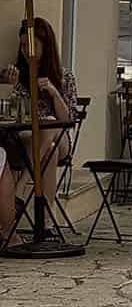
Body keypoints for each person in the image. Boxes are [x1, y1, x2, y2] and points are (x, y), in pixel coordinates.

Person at [1, 18, 78, 202]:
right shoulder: (19, 76)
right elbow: (10, 115)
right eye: (23, 46)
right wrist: (9, 86)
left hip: (60, 137)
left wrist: (54, 93)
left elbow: (68, 120)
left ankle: (21, 187)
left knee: (50, 124)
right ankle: (46, 223)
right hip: (27, 137)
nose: (27, 51)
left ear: (45, 45)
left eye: (32, 45)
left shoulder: (64, 76)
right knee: (48, 152)